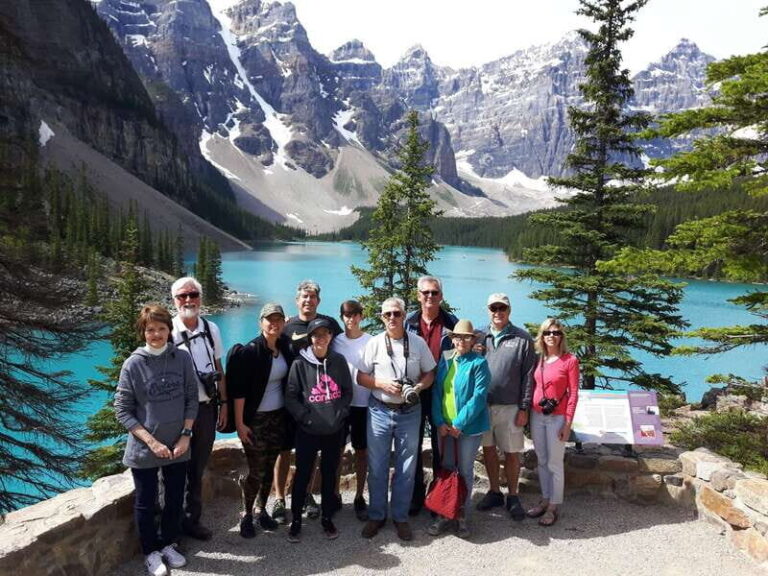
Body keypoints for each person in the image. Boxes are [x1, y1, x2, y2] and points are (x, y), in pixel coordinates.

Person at [115, 305, 198, 576]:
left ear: (168, 330)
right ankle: (151, 552)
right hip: (145, 448)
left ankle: (168, 544)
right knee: (146, 501)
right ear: (143, 332)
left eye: (161, 328)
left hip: (178, 445)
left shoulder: (182, 358)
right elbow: (122, 410)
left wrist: (186, 435)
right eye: (150, 329)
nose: (156, 334)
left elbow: (191, 398)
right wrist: (152, 443)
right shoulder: (133, 364)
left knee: (174, 498)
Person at [358, 297, 436, 541]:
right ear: (382, 317)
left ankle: (400, 517)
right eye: (387, 314)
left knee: (406, 467)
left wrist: (418, 388)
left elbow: (430, 373)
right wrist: (380, 383)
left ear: (404, 316)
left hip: (409, 413)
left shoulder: (418, 343)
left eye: (397, 314)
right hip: (379, 410)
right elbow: (361, 377)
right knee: (378, 466)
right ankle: (377, 515)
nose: (392, 318)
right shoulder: (374, 343)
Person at [273, 280, 343, 523]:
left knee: (310, 453)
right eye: (304, 296)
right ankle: (280, 498)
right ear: (297, 300)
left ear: (318, 301)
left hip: (318, 402)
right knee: (284, 450)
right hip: (289, 398)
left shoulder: (329, 324)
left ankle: (306, 495)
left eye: (312, 297)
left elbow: (340, 353)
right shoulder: (286, 325)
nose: (308, 300)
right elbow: (272, 351)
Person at [229, 303, 295, 538]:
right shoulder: (250, 351)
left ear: (284, 322)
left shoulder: (285, 347)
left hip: (278, 417)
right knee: (256, 471)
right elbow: (239, 392)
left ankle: (261, 509)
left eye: (278, 319)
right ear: (261, 322)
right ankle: (246, 514)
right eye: (269, 319)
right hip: (254, 420)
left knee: (268, 469)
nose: (274, 323)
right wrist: (239, 423)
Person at [284, 317, 353, 543]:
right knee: (302, 475)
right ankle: (296, 519)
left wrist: (339, 415)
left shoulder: (339, 361)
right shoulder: (299, 364)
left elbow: (346, 392)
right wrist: (306, 418)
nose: (320, 338)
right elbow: (291, 397)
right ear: (310, 338)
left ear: (331, 337)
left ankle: (327, 517)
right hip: (308, 431)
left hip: (334, 430)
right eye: (316, 335)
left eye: (324, 334)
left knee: (329, 474)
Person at [171, 276, 227, 541]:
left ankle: (192, 520)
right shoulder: (167, 331)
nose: (188, 300)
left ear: (200, 298)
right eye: (183, 296)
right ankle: (171, 526)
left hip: (207, 409)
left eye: (193, 294)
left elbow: (218, 368)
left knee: (197, 467)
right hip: (177, 413)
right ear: (174, 301)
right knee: (174, 469)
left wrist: (223, 404)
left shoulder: (211, 328)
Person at [427, 319, 490, 539]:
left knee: (464, 470)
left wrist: (459, 424)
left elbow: (479, 397)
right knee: (446, 468)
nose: (461, 341)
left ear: (473, 340)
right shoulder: (445, 360)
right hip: (445, 427)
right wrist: (439, 421)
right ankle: (445, 512)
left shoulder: (479, 363)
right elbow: (436, 392)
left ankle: (461, 514)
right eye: (457, 337)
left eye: (466, 337)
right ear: (452, 339)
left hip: (468, 428)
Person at [476, 293, 536, 521]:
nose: (498, 312)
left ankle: (513, 495)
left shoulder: (522, 339)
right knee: (488, 450)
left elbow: (529, 377)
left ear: (509, 311)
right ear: (488, 310)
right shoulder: (479, 336)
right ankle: (494, 491)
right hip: (483, 406)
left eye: (502, 308)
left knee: (512, 453)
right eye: (494, 308)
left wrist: (524, 408)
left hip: (510, 407)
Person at [405, 276, 458, 515]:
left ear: (441, 296)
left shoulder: (451, 323)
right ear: (418, 295)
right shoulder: (408, 323)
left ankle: (439, 497)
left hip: (442, 394)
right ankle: (416, 496)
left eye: (434, 293)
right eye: (425, 292)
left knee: (442, 449)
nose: (429, 296)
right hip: (415, 393)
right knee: (413, 445)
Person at [528, 318, 579, 527]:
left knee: (554, 463)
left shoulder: (570, 360)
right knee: (541, 460)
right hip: (537, 415)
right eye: (548, 332)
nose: (552, 336)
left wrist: (567, 424)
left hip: (557, 417)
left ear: (562, 336)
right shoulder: (539, 360)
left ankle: (553, 507)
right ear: (542, 335)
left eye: (556, 333)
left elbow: (574, 394)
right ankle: (545, 498)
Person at [331, 299, 373, 521]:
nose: (351, 318)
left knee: (361, 451)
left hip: (364, 405)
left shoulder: (372, 341)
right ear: (342, 317)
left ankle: (359, 496)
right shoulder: (335, 341)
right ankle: (335, 493)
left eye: (355, 314)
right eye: (347, 315)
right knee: (337, 451)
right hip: (341, 404)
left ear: (361, 316)